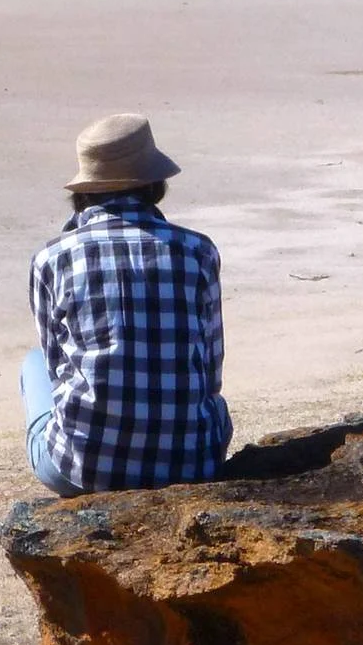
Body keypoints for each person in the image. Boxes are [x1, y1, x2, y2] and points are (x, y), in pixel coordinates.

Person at [21, 113, 231, 495]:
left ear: (83, 190)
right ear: (155, 185)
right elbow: (211, 373)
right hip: (193, 462)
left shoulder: (52, 258)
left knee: (32, 363)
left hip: (83, 471)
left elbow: (56, 371)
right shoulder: (198, 250)